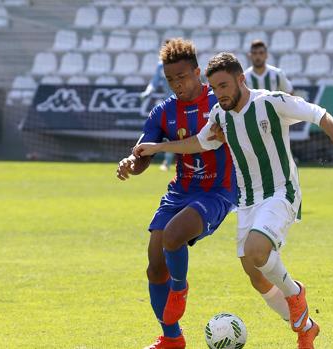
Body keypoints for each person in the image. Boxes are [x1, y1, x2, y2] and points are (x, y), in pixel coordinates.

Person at [133, 52, 333, 349]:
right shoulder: (219, 115)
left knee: (258, 251)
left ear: (241, 79)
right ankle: (306, 328)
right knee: (257, 277)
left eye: (224, 86)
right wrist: (157, 147)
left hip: (281, 191)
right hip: (247, 200)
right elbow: (198, 142)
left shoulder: (271, 101)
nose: (219, 94)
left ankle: (295, 293)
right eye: (215, 88)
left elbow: (319, 114)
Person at [116, 39, 237, 349]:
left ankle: (179, 290)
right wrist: (131, 163)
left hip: (217, 191)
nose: (177, 85)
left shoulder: (219, 102)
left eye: (182, 77)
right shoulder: (163, 112)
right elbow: (144, 153)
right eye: (170, 80)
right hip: (180, 191)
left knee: (173, 236)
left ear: (197, 72)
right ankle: (172, 339)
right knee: (155, 267)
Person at [141, 45, 176, 172]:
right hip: (169, 104)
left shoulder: (182, 65)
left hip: (184, 102)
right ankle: (167, 162)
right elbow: (154, 82)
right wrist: (148, 91)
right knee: (170, 132)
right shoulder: (161, 66)